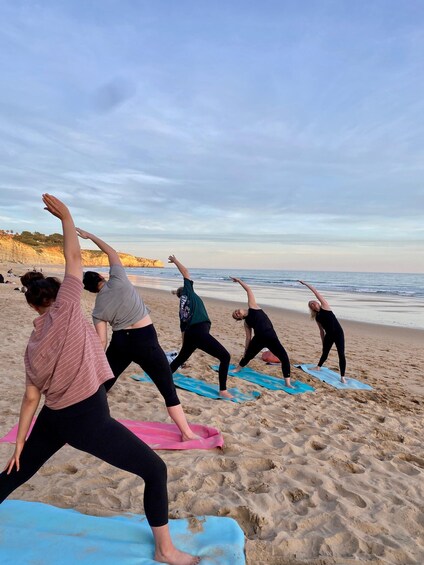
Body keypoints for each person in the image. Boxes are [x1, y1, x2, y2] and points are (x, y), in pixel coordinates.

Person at [0, 194, 200, 565]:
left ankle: (13, 467)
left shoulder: (32, 344)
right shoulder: (70, 308)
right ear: (58, 295)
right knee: (155, 471)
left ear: (31, 306)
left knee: (14, 474)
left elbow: (31, 398)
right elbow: (73, 259)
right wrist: (67, 218)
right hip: (88, 419)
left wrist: (19, 444)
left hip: (53, 417)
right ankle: (165, 549)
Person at [76, 229, 197, 442]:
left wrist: (97, 364)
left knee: (104, 385)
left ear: (91, 291)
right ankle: (186, 433)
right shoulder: (119, 279)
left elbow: (101, 341)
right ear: (102, 277)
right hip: (145, 340)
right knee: (167, 387)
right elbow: (111, 251)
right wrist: (90, 236)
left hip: (120, 343)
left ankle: (83, 419)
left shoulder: (98, 309)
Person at [168, 255, 232, 399]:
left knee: (180, 359)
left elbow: (183, 331)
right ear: (185, 289)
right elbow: (185, 271)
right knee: (225, 357)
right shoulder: (189, 292)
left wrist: (185, 346)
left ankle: (164, 376)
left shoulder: (182, 308)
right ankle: (223, 390)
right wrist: (176, 261)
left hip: (192, 334)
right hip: (199, 331)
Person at [231, 277, 293, 388]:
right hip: (258, 339)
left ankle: (287, 383)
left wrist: (239, 281)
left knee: (284, 358)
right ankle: (238, 368)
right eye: (236, 315)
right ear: (239, 318)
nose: (237, 313)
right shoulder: (246, 323)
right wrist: (246, 350)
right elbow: (248, 338)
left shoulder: (253, 306)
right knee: (248, 356)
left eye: (235, 312)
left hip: (271, 337)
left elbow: (249, 290)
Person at [298, 280, 346, 383]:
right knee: (325, 352)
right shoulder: (317, 317)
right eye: (311, 305)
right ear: (312, 308)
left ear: (318, 303)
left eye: (313, 302)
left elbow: (315, 292)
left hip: (338, 333)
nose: (313, 304)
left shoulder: (325, 306)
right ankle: (318, 367)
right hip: (329, 335)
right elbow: (321, 331)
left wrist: (305, 284)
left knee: (341, 354)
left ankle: (342, 376)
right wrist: (323, 341)